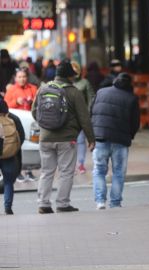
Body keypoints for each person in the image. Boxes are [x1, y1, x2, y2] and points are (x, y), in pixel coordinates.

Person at [32, 59, 95, 214]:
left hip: (45, 139)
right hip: (67, 139)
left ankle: (43, 204)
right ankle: (62, 203)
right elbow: (84, 118)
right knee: (66, 172)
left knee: (47, 172)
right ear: (69, 76)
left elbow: (35, 112)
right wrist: (90, 138)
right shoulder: (74, 92)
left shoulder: (43, 89)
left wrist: (46, 126)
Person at [91, 73, 140, 209]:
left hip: (100, 137)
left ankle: (100, 201)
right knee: (118, 172)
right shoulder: (131, 98)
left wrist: (93, 134)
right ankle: (115, 202)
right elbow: (135, 122)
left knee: (99, 170)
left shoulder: (101, 92)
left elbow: (91, 112)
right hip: (121, 140)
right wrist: (130, 135)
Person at [4, 67, 38, 182]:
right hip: (17, 123)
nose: (22, 79)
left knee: (30, 145)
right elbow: (5, 106)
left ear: (27, 77)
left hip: (32, 123)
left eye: (24, 77)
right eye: (19, 77)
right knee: (18, 146)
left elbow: (38, 102)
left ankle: (29, 171)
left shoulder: (33, 88)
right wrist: (16, 102)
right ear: (15, 78)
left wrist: (32, 102)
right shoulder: (11, 90)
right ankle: (18, 172)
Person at [0, 98, 24, 215]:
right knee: (8, 182)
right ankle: (8, 207)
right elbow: (21, 137)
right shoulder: (12, 119)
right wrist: (13, 150)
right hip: (9, 155)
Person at [71, 61, 95, 174]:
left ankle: (80, 163)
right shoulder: (66, 83)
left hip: (81, 117)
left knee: (80, 141)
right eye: (72, 69)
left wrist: (87, 112)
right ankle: (71, 164)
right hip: (68, 117)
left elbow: (91, 98)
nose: (74, 71)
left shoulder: (85, 83)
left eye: (76, 68)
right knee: (70, 142)